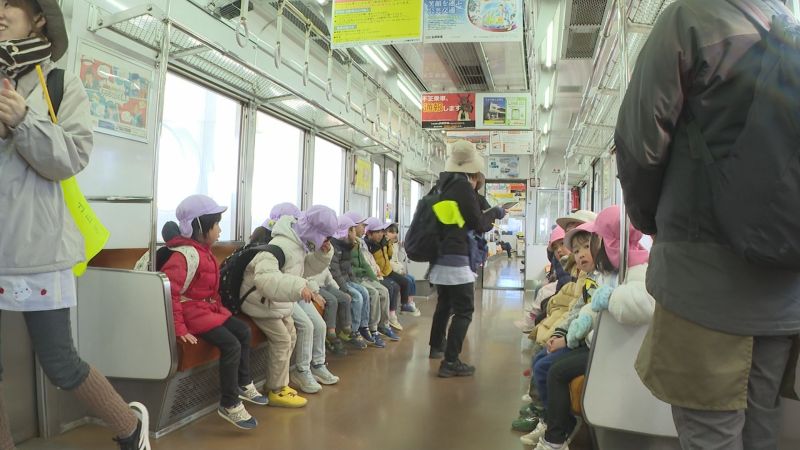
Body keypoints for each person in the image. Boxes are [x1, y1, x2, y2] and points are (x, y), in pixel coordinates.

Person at [615, 1, 800, 448]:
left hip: (703, 279)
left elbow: (640, 141)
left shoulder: (690, 19)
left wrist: (650, 221)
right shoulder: (789, 29)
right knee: (762, 423)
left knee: (710, 432)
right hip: (784, 286)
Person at [0, 1, 151, 448]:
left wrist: (22, 121)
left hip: (37, 248)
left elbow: (71, 157)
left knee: (61, 363)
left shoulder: (59, 83)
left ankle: (130, 428)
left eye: (11, 3)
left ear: (39, 18)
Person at [523, 206, 654, 449]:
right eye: (576, 249)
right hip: (597, 341)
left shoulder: (634, 270)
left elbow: (640, 303)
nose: (583, 253)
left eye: (590, 244)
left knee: (555, 370)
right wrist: (574, 327)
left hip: (612, 349)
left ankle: (556, 435)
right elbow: (588, 306)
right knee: (545, 361)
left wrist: (610, 298)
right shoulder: (607, 273)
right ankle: (552, 424)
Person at [161, 195, 265, 430]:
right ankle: (229, 403)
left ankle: (243, 382)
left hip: (206, 310)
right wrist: (179, 329)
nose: (219, 229)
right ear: (200, 227)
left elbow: (209, 290)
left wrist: (221, 311)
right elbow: (171, 294)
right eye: (216, 224)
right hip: (192, 314)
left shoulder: (203, 251)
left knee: (243, 331)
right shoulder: (183, 256)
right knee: (231, 344)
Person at [239, 205, 338, 408]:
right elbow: (264, 279)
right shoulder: (281, 245)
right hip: (259, 303)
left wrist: (322, 255)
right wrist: (299, 287)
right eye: (325, 237)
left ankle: (279, 383)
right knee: (283, 340)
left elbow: (302, 269)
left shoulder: (297, 243)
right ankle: (276, 389)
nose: (326, 241)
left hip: (276, 303)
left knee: (291, 335)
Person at [428, 140, 506, 377]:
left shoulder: (440, 186)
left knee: (444, 304)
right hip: (457, 256)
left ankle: (436, 346)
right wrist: (495, 213)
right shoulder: (462, 189)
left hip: (439, 256)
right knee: (464, 310)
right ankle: (450, 361)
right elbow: (478, 223)